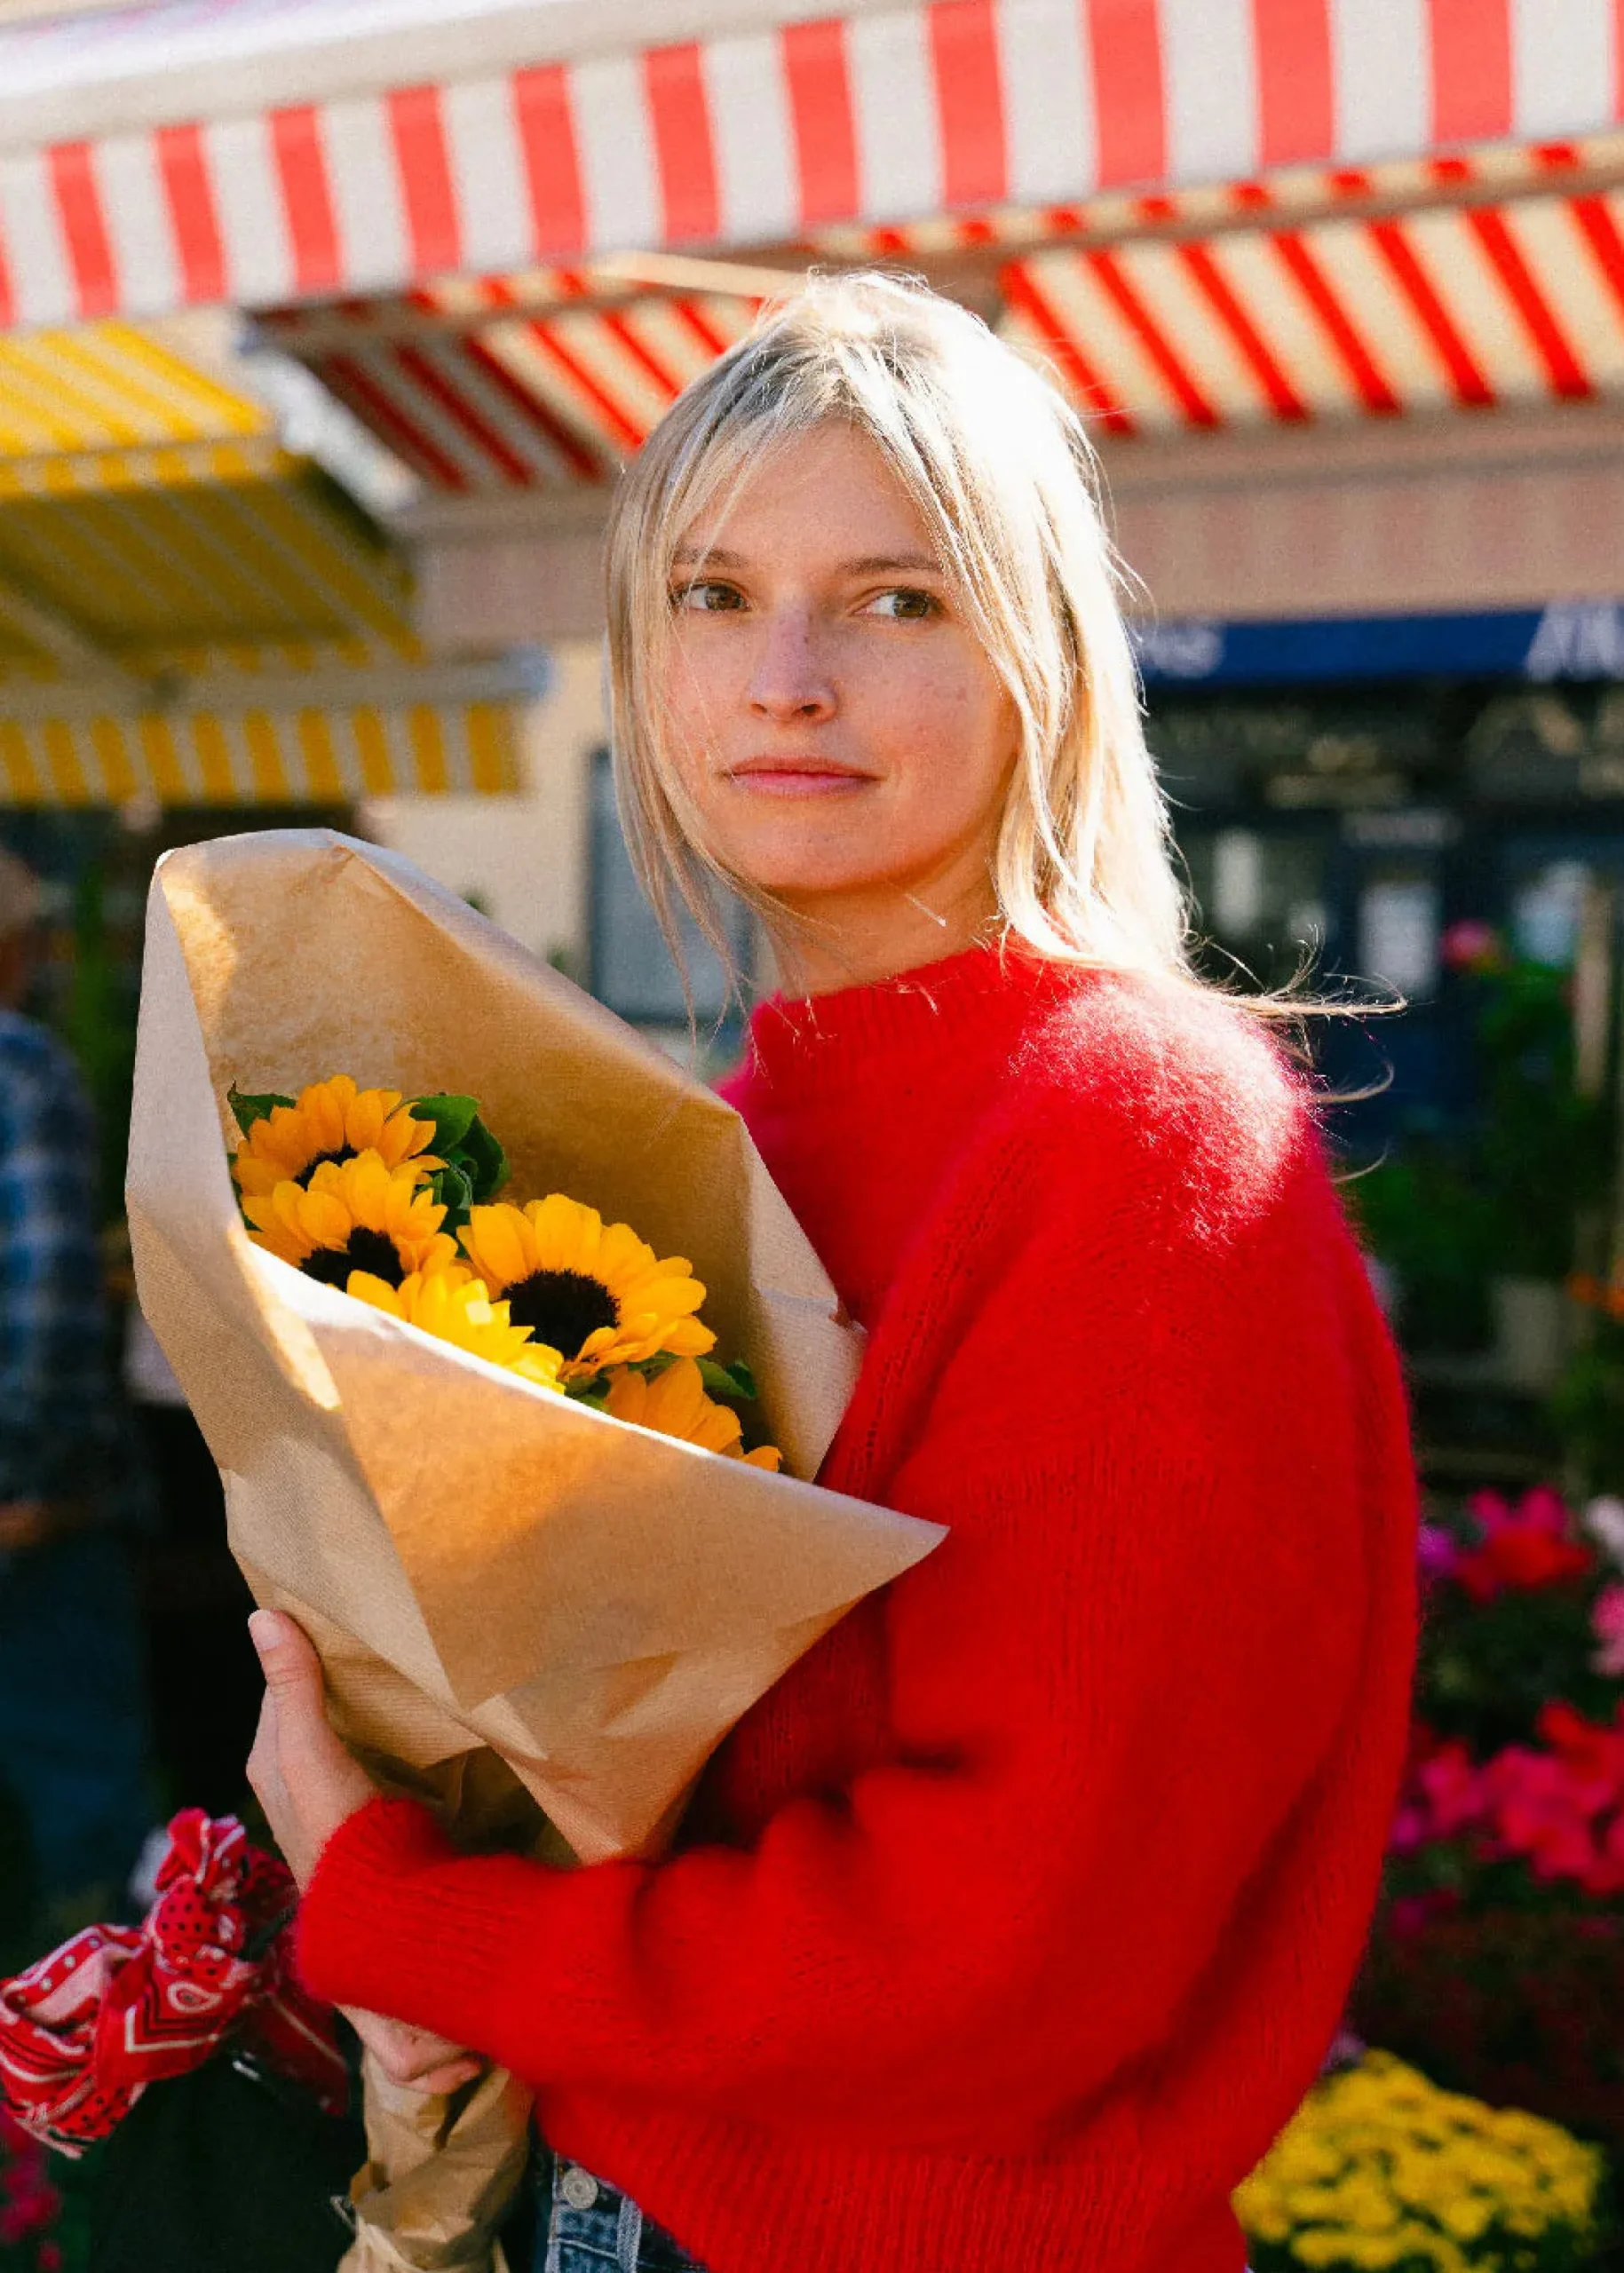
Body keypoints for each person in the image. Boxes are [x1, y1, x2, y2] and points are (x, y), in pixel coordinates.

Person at [246, 275, 1419, 2273]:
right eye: (710, 594)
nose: (782, 675)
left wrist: (410, 1907)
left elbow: (1003, 1955)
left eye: (891, 598)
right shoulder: (700, 1136)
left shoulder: (1130, 1136)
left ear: (1036, 648)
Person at [0, 845, 154, 1936]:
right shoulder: (19, 1066)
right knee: (82, 1807)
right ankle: (95, 2066)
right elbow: (50, 1302)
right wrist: (24, 1487)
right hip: (32, 1518)